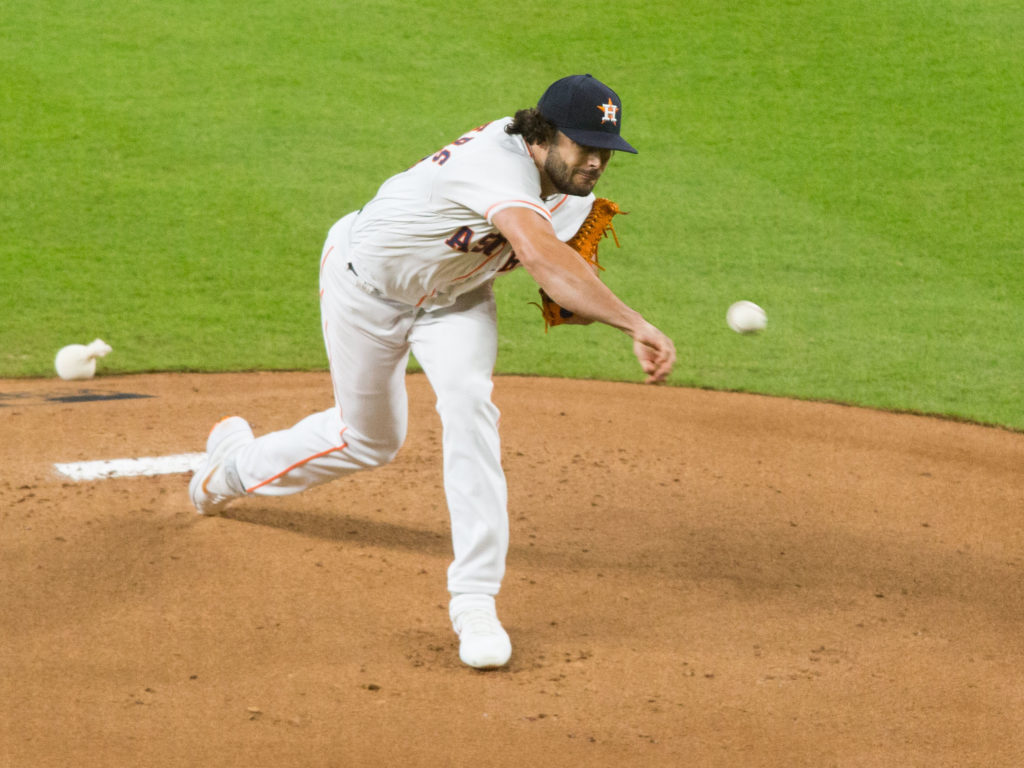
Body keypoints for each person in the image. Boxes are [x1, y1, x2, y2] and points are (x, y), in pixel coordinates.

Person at [189, 74, 676, 670]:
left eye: (606, 151)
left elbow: (557, 282)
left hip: (454, 302)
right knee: (369, 440)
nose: (597, 163)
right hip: (365, 289)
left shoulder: (572, 191)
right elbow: (540, 254)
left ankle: (475, 600)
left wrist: (575, 299)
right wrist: (634, 322)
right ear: (542, 135)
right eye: (584, 147)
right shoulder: (494, 162)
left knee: (471, 405)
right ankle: (234, 470)